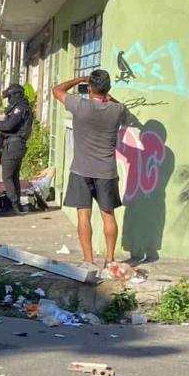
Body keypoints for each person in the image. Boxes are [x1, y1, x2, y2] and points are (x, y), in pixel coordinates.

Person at [52, 69, 129, 269]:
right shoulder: (117, 109)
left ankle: (88, 261)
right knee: (108, 214)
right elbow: (126, 115)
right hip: (106, 171)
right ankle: (110, 259)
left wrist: (80, 78)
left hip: (81, 169)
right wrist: (110, 97)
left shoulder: (80, 106)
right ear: (108, 88)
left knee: (83, 214)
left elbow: (57, 90)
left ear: (90, 88)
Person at [0, 84, 33, 214]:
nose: (9, 100)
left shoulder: (19, 109)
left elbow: (9, 125)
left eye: (10, 97)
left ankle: (13, 204)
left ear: (16, 95)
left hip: (14, 145)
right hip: (14, 144)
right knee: (13, 176)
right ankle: (16, 204)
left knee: (7, 176)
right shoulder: (21, 108)